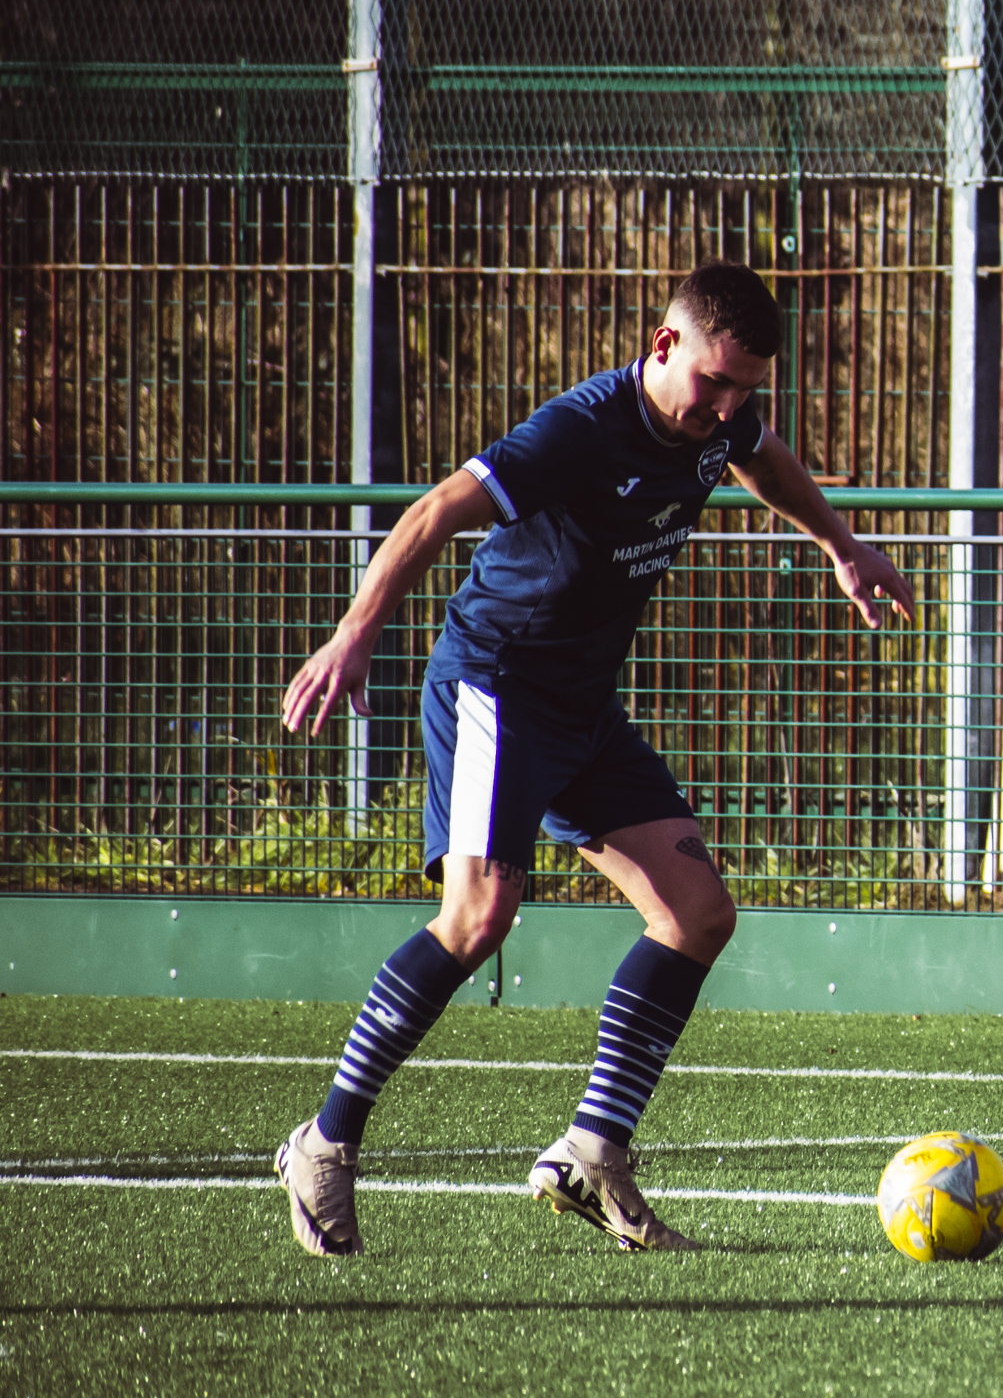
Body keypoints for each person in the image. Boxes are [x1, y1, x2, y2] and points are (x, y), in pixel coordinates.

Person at [271, 260, 916, 1256]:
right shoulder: (579, 429)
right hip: (496, 683)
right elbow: (435, 510)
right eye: (713, 382)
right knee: (479, 916)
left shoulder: (724, 421)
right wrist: (356, 631)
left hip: (581, 708)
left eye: (746, 388)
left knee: (698, 912)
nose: (727, 406)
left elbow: (765, 458)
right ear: (663, 348)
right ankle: (325, 1141)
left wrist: (839, 543)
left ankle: (591, 1150)